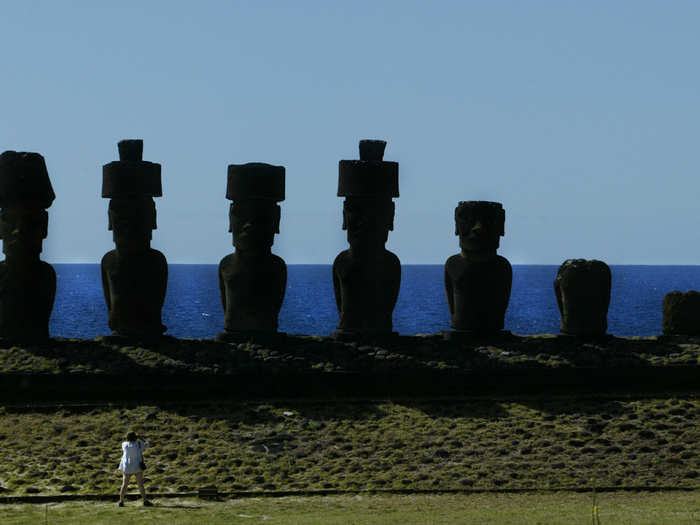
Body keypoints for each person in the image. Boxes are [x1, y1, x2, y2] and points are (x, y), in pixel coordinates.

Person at [118, 431, 152, 507]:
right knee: (140, 484)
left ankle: (121, 501)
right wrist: (140, 438)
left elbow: (125, 443)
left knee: (124, 484)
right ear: (135, 437)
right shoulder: (139, 444)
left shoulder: (124, 444)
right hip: (137, 466)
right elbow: (148, 444)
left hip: (127, 466)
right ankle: (145, 500)